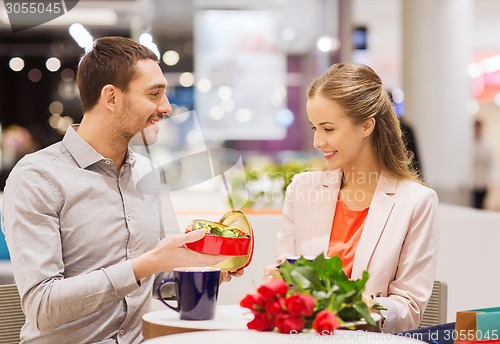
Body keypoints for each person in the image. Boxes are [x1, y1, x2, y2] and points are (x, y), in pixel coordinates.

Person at [1, 36, 238, 344]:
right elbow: (42, 307)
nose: (166, 108)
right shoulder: (37, 178)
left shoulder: (144, 172)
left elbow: (147, 285)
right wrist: (149, 263)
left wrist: (198, 275)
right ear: (111, 98)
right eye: (154, 94)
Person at [267, 63, 439, 333]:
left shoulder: (416, 202)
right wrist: (278, 283)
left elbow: (409, 309)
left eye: (328, 129)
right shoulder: (302, 190)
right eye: (314, 128)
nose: (317, 142)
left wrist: (362, 306)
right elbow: (286, 270)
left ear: (366, 125)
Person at [472, 118, 494, 209]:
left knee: (480, 206)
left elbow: (490, 164)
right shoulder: (471, 143)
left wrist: (490, 179)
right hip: (473, 182)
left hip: (483, 182)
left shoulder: (487, 144)